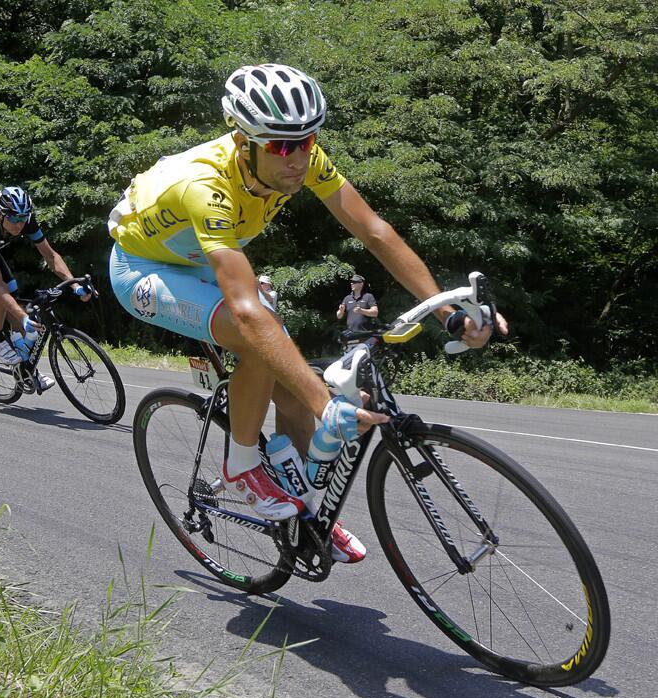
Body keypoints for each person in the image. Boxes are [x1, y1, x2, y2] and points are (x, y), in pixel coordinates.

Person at [107, 64, 507, 564]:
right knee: (260, 339)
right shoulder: (204, 185)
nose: (297, 158)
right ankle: (242, 465)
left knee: (293, 388)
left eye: (306, 140)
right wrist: (328, 406)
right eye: (279, 146)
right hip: (144, 268)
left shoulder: (304, 157)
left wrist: (447, 310)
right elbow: (249, 311)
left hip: (208, 265)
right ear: (243, 140)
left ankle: (307, 512)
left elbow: (375, 233)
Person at [0, 185, 92, 372]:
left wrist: (74, 284)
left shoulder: (26, 220)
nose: (19, 224)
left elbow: (51, 256)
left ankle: (24, 369)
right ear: (1, 214)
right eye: (14, 218)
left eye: (23, 218)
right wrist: (23, 318)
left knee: (12, 291)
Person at [336, 273, 377, 346]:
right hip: (351, 336)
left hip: (365, 335)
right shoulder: (347, 298)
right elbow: (339, 316)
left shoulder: (368, 297)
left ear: (361, 284)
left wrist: (361, 311)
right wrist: (341, 311)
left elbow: (375, 312)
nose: (352, 284)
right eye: (351, 282)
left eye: (354, 282)